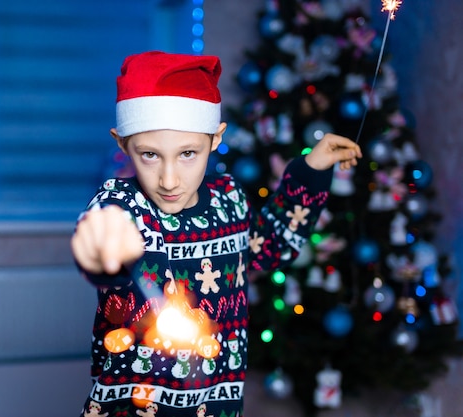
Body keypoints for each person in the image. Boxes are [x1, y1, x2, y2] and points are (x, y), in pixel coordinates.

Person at [71, 51, 362, 417]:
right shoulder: (122, 204)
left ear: (215, 138)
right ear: (122, 143)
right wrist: (103, 252)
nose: (169, 179)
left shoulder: (229, 198)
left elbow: (269, 248)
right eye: (149, 155)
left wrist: (310, 171)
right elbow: (105, 241)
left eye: (188, 153)